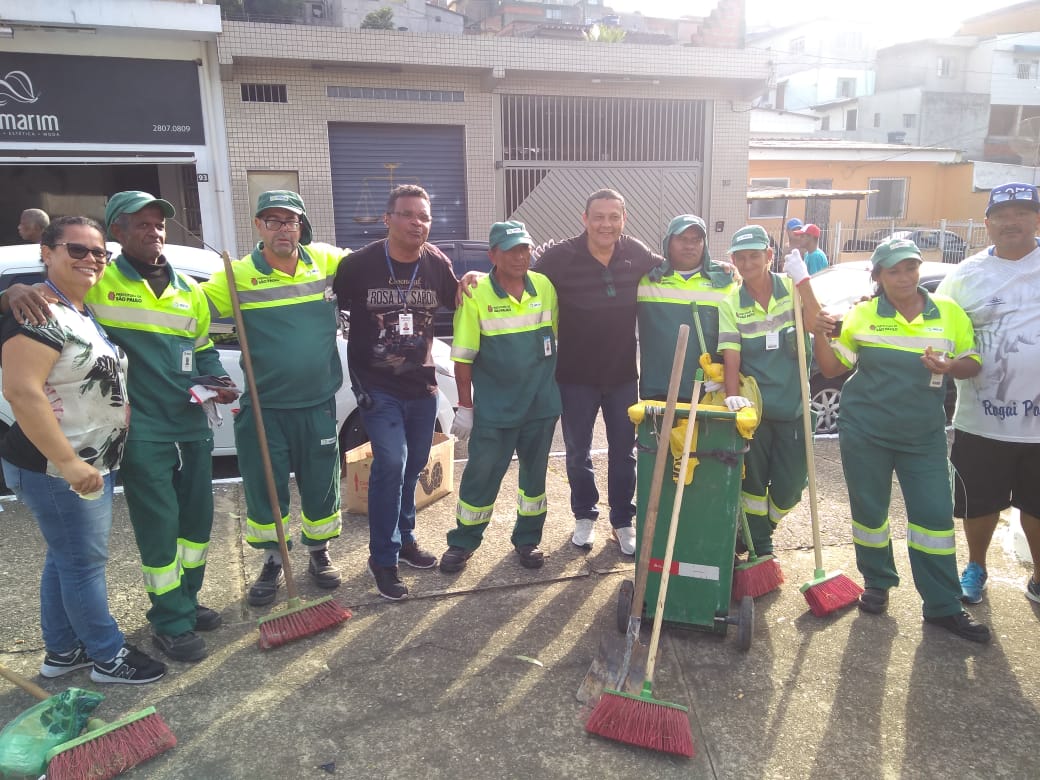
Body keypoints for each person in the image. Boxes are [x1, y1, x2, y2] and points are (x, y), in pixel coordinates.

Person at [2, 191, 235, 663]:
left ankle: (185, 601)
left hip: (192, 423)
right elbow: (49, 295)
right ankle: (169, 619)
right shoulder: (100, 280)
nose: (154, 231)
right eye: (140, 224)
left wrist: (220, 378)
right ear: (119, 234)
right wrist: (9, 292)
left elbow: (203, 347)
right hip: (142, 432)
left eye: (159, 224)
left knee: (195, 526)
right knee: (159, 527)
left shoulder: (188, 289)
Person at [0, 216, 167, 683]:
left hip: (83, 462)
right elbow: (23, 392)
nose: (91, 259)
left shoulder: (76, 309)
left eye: (99, 253)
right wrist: (70, 463)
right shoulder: (38, 313)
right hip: (58, 468)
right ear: (46, 253)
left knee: (66, 556)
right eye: (78, 250)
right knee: (83, 563)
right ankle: (106, 655)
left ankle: (62, 650)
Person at [812, 237, 990, 642]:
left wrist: (950, 365)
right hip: (865, 432)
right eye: (894, 270)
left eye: (910, 267)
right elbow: (830, 366)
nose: (905, 276)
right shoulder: (862, 315)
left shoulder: (947, 312)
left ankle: (943, 606)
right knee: (870, 514)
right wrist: (818, 333)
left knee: (934, 519)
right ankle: (877, 581)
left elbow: (973, 360)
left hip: (923, 436)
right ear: (879, 276)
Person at [202, 191, 346, 607]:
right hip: (266, 408)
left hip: (317, 403)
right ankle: (272, 559)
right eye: (273, 221)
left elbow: (373, 262)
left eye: (290, 221)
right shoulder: (237, 274)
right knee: (266, 488)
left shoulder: (325, 260)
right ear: (258, 226)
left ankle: (319, 553)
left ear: (301, 226)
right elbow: (186, 309)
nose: (283, 229)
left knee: (321, 487)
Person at [333, 184, 459, 600]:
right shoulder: (360, 265)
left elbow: (459, 299)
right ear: (388, 219)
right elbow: (333, 306)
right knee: (392, 459)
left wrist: (475, 276)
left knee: (413, 465)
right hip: (377, 385)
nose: (417, 223)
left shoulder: (437, 263)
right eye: (407, 214)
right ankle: (382, 559)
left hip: (421, 385)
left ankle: (405, 540)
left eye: (423, 216)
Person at [533, 189, 663, 555]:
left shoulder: (634, 253)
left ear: (624, 219)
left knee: (625, 453)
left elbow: (675, 266)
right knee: (578, 453)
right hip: (574, 377)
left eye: (614, 217)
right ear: (585, 219)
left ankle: (623, 521)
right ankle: (584, 514)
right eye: (599, 216)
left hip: (622, 376)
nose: (606, 224)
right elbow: (520, 280)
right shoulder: (560, 258)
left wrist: (720, 267)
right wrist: (478, 275)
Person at [936, 182, 1040, 606]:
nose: (1010, 221)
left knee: (1036, 505)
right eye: (1001, 214)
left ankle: (1039, 575)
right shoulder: (965, 275)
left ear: (1037, 218)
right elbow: (933, 325)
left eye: (1021, 212)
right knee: (978, 504)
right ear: (987, 223)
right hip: (981, 419)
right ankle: (976, 567)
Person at [439, 221, 560, 573]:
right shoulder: (477, 293)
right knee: (481, 474)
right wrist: (465, 406)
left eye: (524, 248)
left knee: (534, 480)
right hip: (495, 409)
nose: (520, 256)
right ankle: (463, 542)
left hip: (540, 405)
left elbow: (556, 338)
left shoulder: (545, 286)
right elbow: (462, 356)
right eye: (510, 250)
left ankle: (528, 540)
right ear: (492, 254)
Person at [716, 225, 822, 560]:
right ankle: (762, 546)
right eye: (741, 257)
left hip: (794, 407)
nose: (747, 263)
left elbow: (815, 322)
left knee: (791, 487)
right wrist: (732, 397)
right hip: (756, 409)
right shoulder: (731, 302)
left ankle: (759, 532)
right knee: (753, 487)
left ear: (769, 256)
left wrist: (804, 282)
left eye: (754, 256)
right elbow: (731, 355)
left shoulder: (791, 288)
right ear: (733, 260)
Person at [636, 214, 735, 403]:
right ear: (668, 243)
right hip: (657, 389)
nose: (689, 245)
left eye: (696, 240)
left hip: (708, 390)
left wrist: (727, 376)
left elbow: (737, 338)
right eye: (682, 239)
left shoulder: (724, 282)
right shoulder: (645, 279)